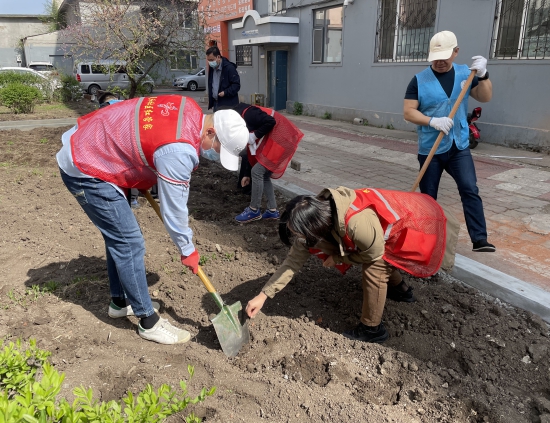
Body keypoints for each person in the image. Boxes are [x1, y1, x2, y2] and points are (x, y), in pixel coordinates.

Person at [56, 95, 249, 345]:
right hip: (87, 165)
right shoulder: (179, 151)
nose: (213, 155)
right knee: (129, 243)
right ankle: (148, 322)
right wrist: (187, 249)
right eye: (216, 149)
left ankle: (120, 301)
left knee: (119, 237)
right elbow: (174, 211)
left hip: (98, 146)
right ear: (211, 131)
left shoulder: (187, 107)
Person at [245, 186, 459, 343]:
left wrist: (339, 258)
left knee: (375, 269)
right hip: (380, 235)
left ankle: (372, 329)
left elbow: (374, 253)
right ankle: (402, 291)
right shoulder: (318, 219)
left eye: (299, 234)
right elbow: (292, 262)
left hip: (417, 223)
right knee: (378, 262)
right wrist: (263, 295)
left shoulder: (356, 223)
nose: (298, 238)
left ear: (315, 228)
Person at [403, 30, 495, 253]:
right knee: (428, 197)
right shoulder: (419, 80)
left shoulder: (466, 74)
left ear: (456, 52)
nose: (440, 61)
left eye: (445, 56)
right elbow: (408, 112)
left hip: (459, 146)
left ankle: (479, 239)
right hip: (430, 149)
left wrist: (483, 76)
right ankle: (424, 243)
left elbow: (485, 97)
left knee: (469, 188)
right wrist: (432, 121)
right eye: (436, 57)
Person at [233, 102, 304, 223]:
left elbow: (270, 122)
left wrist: (254, 135)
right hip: (282, 140)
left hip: (282, 140)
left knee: (257, 172)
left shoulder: (248, 114)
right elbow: (251, 152)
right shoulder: (243, 116)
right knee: (263, 174)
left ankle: (254, 210)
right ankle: (272, 210)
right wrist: (246, 173)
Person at [96, 91, 142, 208]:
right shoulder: (129, 103)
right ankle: (133, 199)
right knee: (133, 169)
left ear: (102, 101)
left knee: (116, 170)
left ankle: (121, 197)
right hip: (135, 141)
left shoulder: (104, 108)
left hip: (116, 143)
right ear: (116, 97)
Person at [206, 46, 240, 112]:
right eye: (208, 60)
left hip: (228, 105)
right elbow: (211, 84)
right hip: (216, 104)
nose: (210, 62)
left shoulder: (229, 68)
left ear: (218, 57)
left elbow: (236, 85)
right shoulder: (212, 68)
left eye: (211, 60)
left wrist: (225, 92)